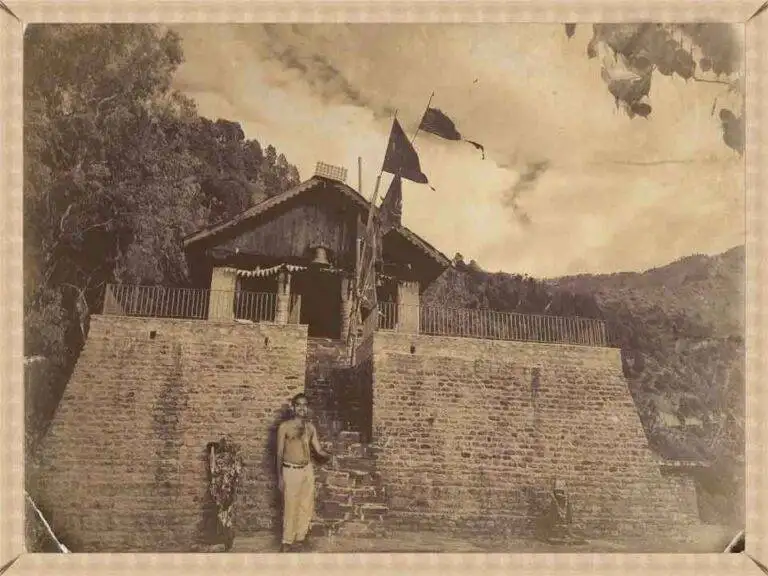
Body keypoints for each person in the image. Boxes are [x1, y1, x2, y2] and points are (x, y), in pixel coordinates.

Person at [276, 393, 331, 552]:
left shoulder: (310, 427)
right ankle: (287, 541)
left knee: (306, 505)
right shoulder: (284, 427)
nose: (302, 408)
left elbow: (318, 449)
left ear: (307, 408)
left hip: (307, 470)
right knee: (290, 505)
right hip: (291, 470)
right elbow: (279, 453)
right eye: (298, 405)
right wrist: (280, 477)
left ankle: (300, 538)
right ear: (293, 407)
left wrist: (329, 455)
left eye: (305, 405)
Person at [208, 436, 244, 552]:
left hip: (225, 490)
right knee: (224, 515)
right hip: (223, 490)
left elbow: (214, 470)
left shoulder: (227, 462)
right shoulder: (231, 462)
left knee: (224, 514)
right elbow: (214, 471)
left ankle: (227, 539)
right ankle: (226, 539)